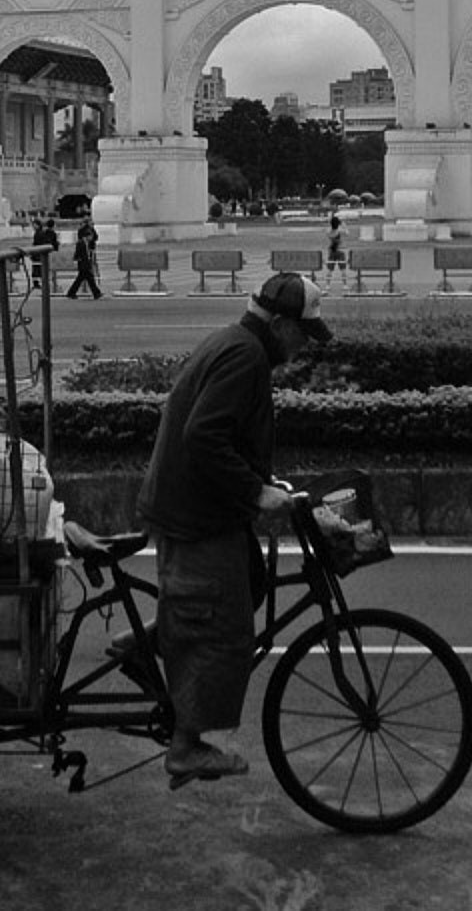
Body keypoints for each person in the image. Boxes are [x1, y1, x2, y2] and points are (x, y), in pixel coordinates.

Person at [136, 271, 333, 789]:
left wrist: (263, 481)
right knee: (226, 630)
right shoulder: (245, 356)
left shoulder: (235, 342)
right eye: (302, 335)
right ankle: (187, 747)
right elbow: (204, 435)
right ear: (282, 323)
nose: (301, 348)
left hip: (194, 504)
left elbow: (223, 432)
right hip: (197, 514)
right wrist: (254, 492)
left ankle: (150, 640)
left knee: (250, 582)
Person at [67, 214, 102, 299]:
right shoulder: (81, 243)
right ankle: (96, 293)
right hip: (83, 263)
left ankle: (72, 292)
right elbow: (78, 253)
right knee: (88, 279)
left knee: (82, 279)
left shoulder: (86, 242)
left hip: (85, 263)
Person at [31, 212, 59, 291]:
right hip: (39, 253)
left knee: (37, 268)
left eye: (34, 224)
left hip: (37, 253)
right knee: (39, 268)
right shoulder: (43, 233)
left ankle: (37, 282)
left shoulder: (40, 233)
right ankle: (39, 282)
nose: (33, 226)